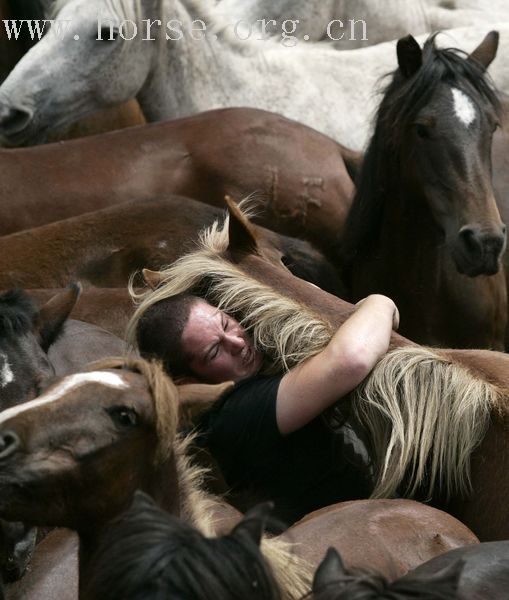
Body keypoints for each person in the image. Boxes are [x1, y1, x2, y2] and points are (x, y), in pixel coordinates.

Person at [136, 292, 399, 524]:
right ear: (188, 382)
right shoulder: (230, 416)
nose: (237, 343)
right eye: (215, 351)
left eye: (227, 324)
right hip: (346, 534)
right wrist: (380, 302)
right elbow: (349, 361)